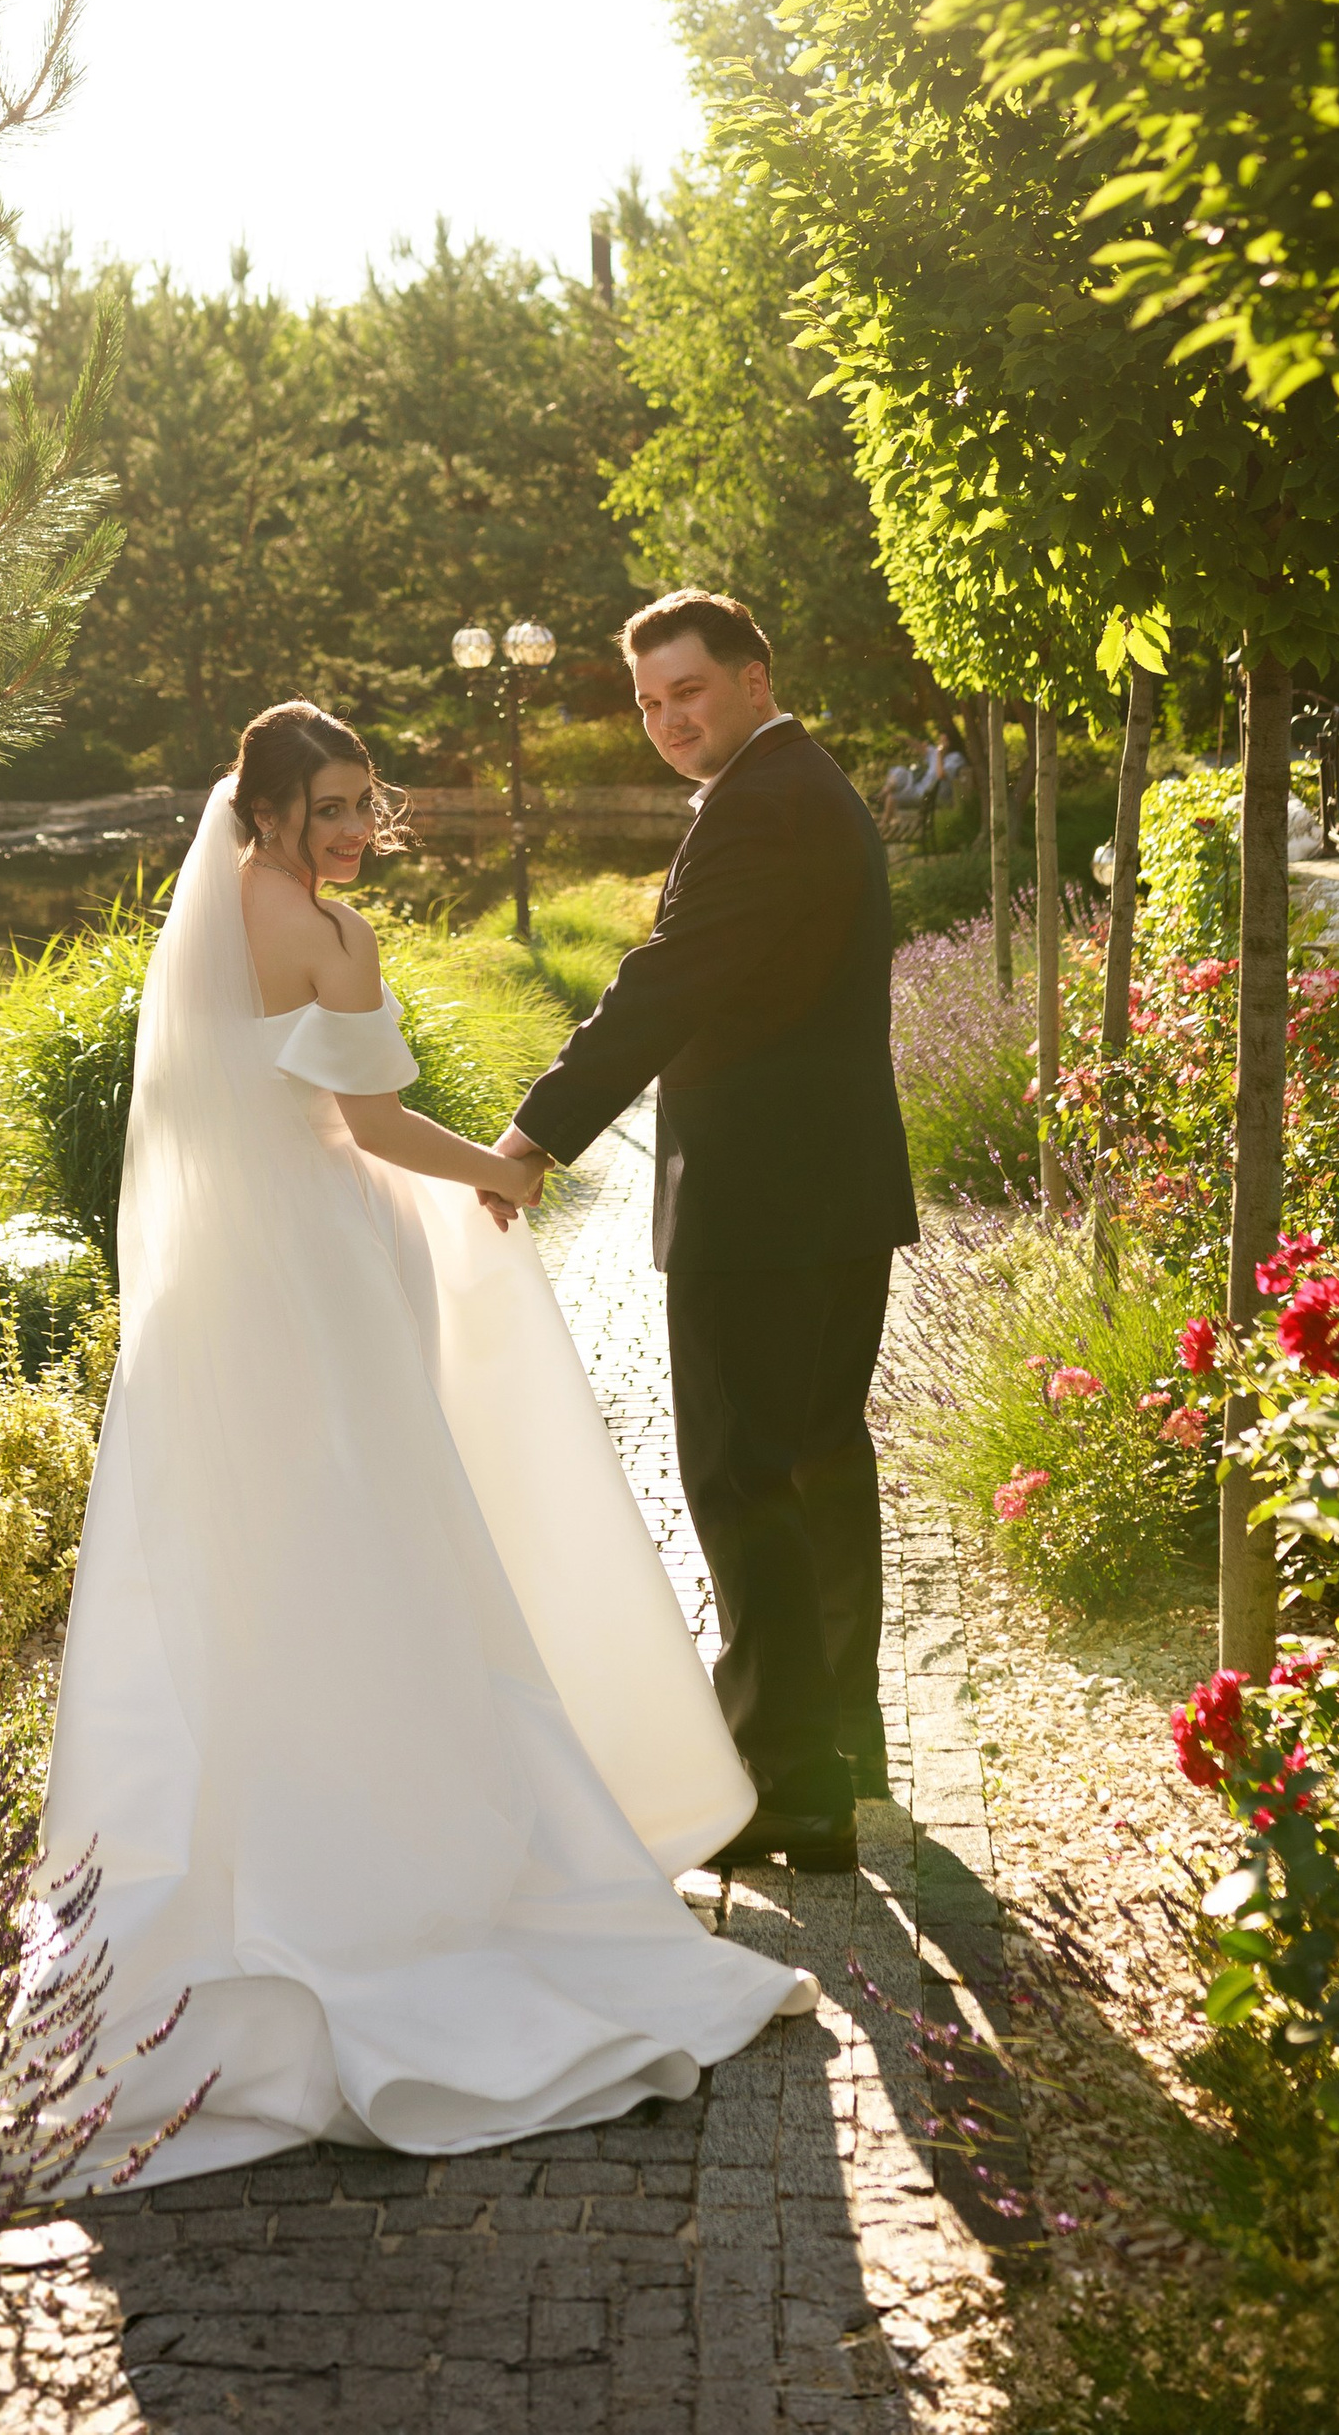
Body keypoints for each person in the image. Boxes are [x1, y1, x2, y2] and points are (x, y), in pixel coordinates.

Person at [0, 699, 813, 2196]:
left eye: (366, 800)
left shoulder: (213, 915)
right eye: (331, 807)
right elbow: (367, 1122)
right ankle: (390, 1868)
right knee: (376, 1542)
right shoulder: (327, 934)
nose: (357, 829)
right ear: (266, 808)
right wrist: (500, 1166)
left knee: (255, 1555)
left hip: (216, 1292)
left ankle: (245, 1847)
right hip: (319, 1275)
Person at [496, 594, 917, 1874]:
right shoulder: (798, 785)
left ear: (752, 678)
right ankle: (840, 1739)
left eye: (687, 691)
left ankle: (787, 1785)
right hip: (825, 1190)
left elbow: (666, 980)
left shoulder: (765, 801)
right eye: (648, 702)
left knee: (741, 1476)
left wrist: (532, 1137)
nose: (667, 719)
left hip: (764, 1201)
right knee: (815, 1461)